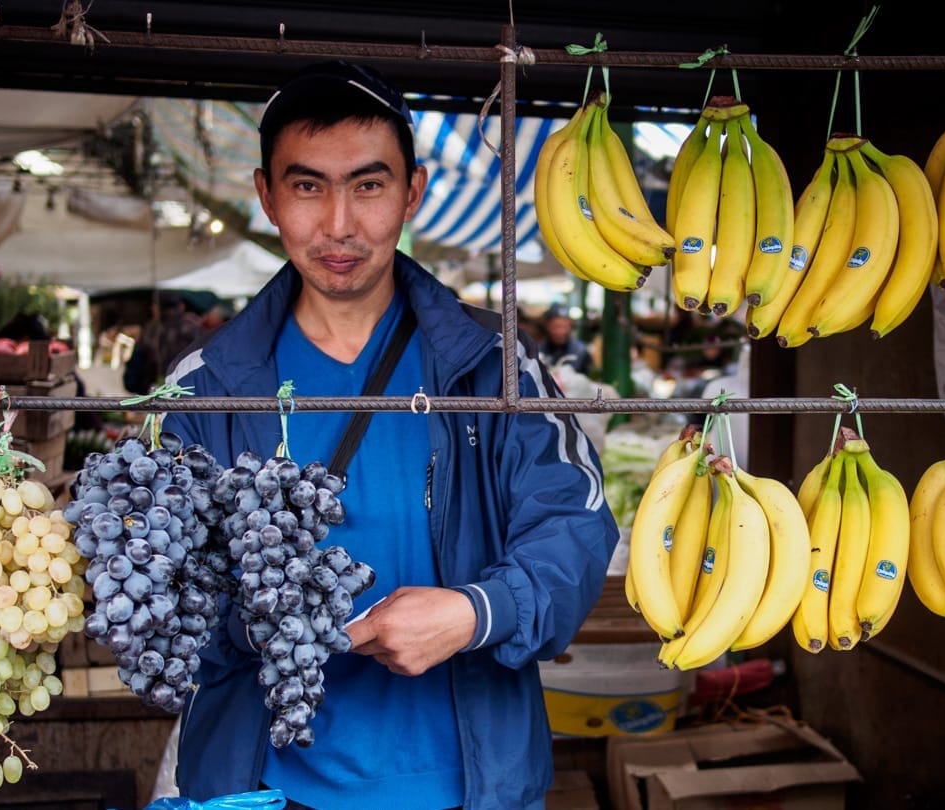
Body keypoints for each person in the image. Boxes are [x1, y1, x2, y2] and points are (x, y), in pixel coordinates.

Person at [160, 61, 617, 809]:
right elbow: (168, 597)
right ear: (267, 195)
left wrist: (476, 612)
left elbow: (575, 525)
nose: (339, 223)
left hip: (471, 787)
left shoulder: (495, 367)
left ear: (414, 191)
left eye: (368, 185)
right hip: (267, 786)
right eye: (308, 186)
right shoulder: (206, 387)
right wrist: (261, 619)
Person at [123, 290, 204, 394]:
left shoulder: (151, 329)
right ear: (181, 306)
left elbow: (140, 365)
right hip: (188, 387)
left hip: (157, 389)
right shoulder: (193, 327)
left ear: (156, 307)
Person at [538, 305, 592, 376]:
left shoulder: (581, 351)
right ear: (547, 326)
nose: (560, 331)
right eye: (556, 326)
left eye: (565, 326)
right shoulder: (537, 350)